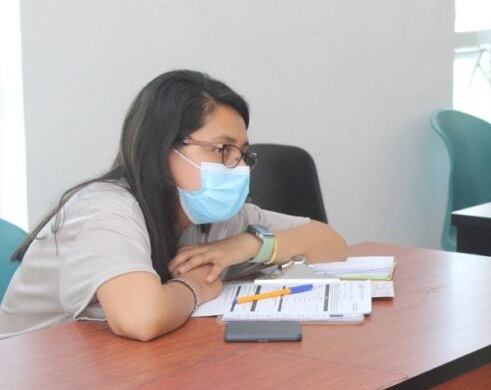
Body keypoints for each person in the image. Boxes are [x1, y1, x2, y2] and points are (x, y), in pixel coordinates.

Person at [0, 70, 347, 341]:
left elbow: (330, 246)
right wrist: (195, 286)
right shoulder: (106, 210)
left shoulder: (216, 216)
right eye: (222, 150)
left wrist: (250, 245)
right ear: (164, 147)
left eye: (243, 154)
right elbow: (141, 318)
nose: (238, 167)